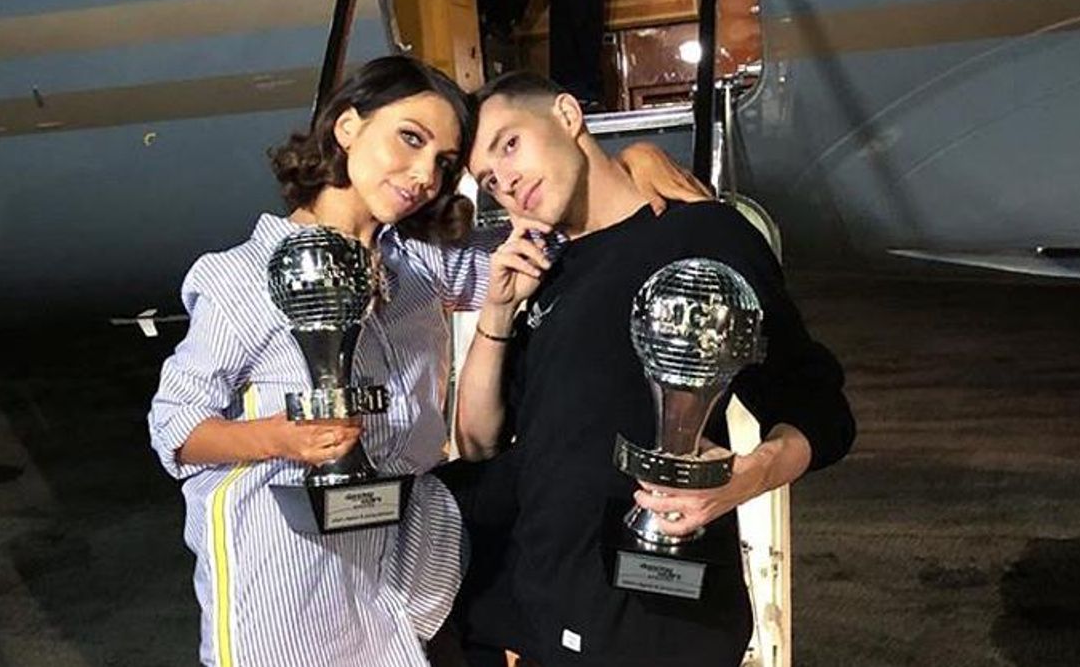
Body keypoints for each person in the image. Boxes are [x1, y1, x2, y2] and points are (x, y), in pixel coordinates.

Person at [149, 55, 700, 667]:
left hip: (414, 579)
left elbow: (559, 230)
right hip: (288, 585)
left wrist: (630, 159)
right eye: (410, 139)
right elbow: (175, 427)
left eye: (442, 162)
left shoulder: (418, 266)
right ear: (348, 126)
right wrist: (278, 437)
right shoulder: (240, 278)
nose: (424, 177)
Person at [448, 72, 856, 666]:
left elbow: (818, 407)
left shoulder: (701, 234)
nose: (505, 181)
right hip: (546, 618)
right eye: (488, 178)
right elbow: (480, 443)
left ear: (567, 115)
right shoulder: (544, 274)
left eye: (510, 144)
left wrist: (746, 477)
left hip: (661, 620)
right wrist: (498, 311)